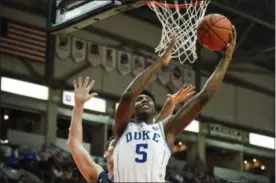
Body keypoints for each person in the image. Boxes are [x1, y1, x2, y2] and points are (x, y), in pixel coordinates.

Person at [113, 27, 237, 182]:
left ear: (154, 111)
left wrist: (226, 59)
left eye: (149, 100)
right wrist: (160, 63)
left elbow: (203, 97)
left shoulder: (165, 130)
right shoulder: (123, 128)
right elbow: (127, 96)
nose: (145, 100)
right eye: (140, 99)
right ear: (131, 112)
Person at [67, 77, 195, 182]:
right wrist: (78, 106)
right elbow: (74, 144)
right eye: (115, 145)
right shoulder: (99, 177)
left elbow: (155, 133)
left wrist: (170, 104)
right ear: (106, 154)